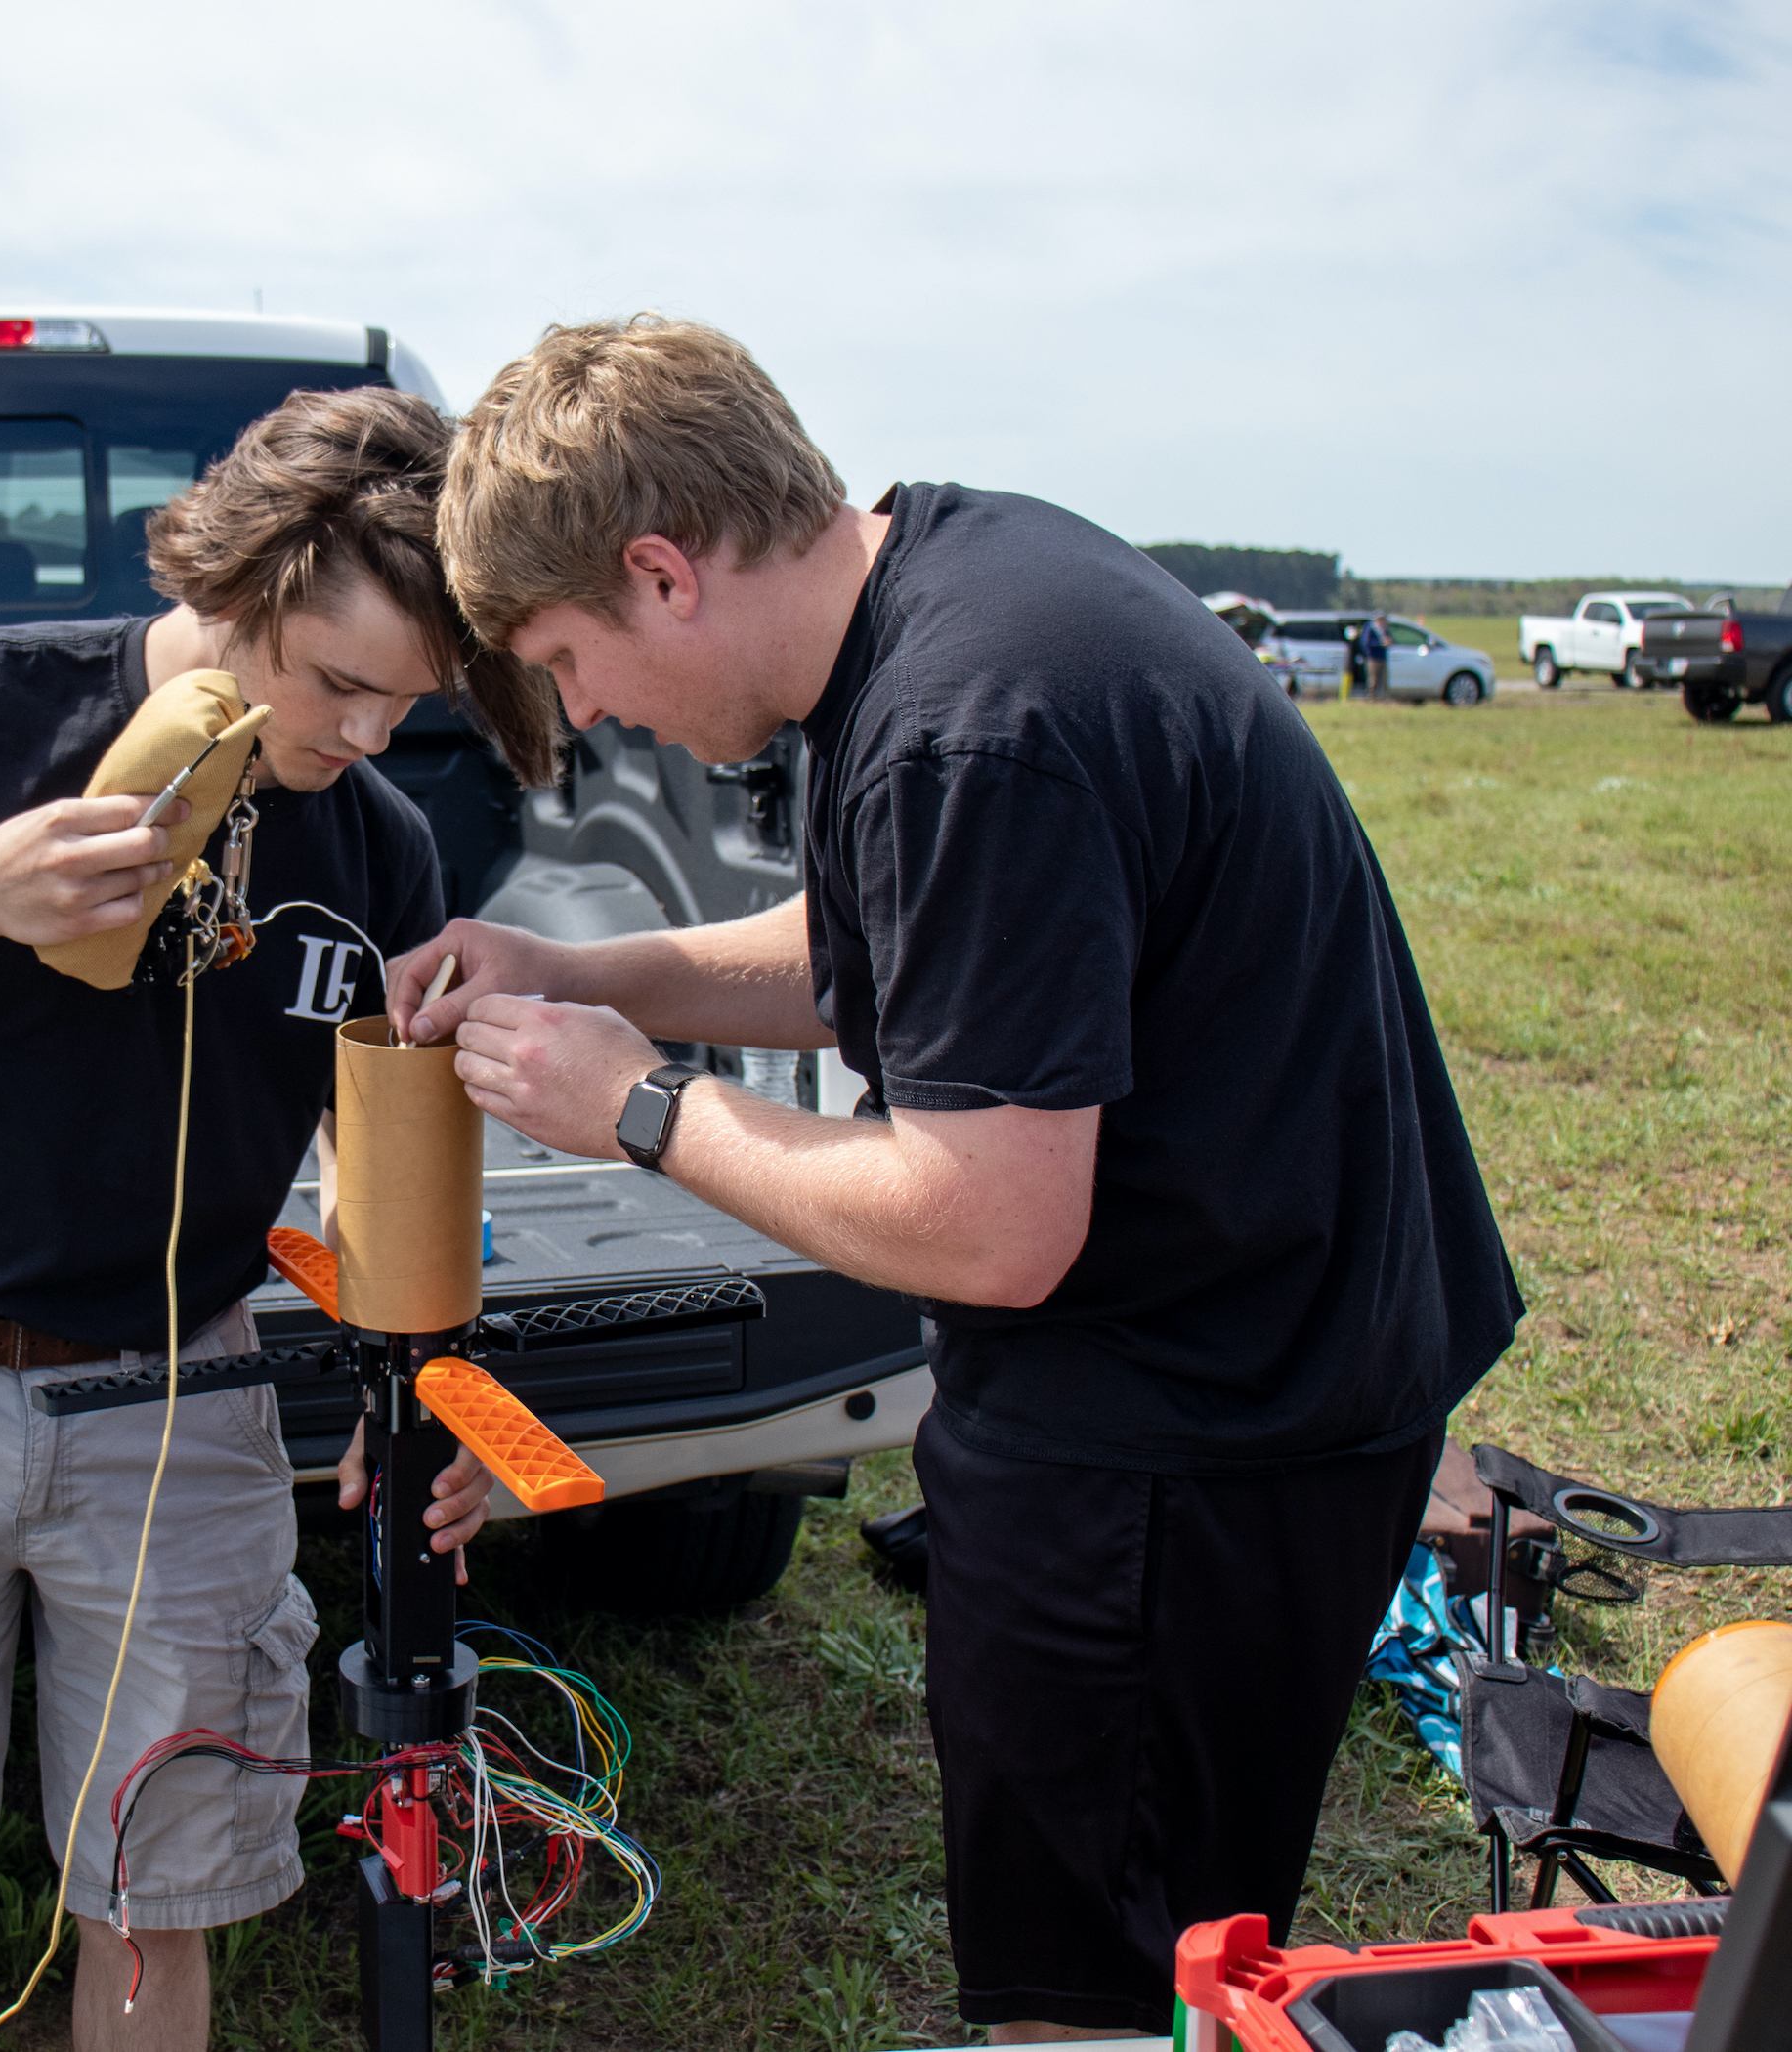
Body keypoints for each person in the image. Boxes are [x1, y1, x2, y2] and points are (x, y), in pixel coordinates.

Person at [391, 317, 1521, 2040]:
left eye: (565, 656)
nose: (582, 710)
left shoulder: (967, 727)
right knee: (1142, 1947)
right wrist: (589, 973)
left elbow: (993, 1227)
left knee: (1107, 1992)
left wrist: (637, 1109)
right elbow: (882, 953)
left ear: (661, 572)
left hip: (1189, 1433)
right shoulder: (937, 596)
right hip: (1244, 1368)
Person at [0, 386, 551, 2052]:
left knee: (157, 1907)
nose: (367, 735)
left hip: (181, 1398)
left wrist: (434, 1390)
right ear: (240, 589)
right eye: (340, 684)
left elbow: (389, 1153)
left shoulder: (376, 841)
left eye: (405, 701)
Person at [1358, 611, 1391, 698]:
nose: (1382, 621)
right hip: (1372, 658)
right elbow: (1365, 642)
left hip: (1382, 657)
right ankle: (1372, 698)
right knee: (1373, 681)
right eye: (1380, 619)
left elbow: (1390, 638)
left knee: (1384, 680)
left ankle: (1385, 699)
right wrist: (1380, 643)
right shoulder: (1370, 628)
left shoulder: (1385, 629)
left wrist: (1389, 641)